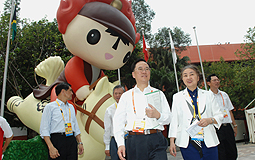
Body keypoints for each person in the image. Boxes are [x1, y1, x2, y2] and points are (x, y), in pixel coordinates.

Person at [113, 58, 171, 160]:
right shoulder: (126, 96)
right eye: (140, 69)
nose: (144, 71)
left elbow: (169, 118)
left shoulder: (158, 93)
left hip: (156, 139)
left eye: (147, 69)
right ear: (133, 74)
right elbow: (118, 122)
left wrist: (158, 115)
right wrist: (120, 144)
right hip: (135, 141)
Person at [169, 65, 223, 160]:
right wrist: (172, 141)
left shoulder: (208, 95)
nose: (188, 77)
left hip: (208, 139)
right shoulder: (177, 97)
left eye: (191, 74)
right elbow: (174, 120)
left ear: (198, 78)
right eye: (185, 75)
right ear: (182, 79)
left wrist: (210, 120)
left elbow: (219, 115)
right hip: (187, 141)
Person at [40, 82, 84, 159]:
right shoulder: (50, 107)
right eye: (70, 90)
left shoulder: (71, 107)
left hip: (71, 139)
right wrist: (51, 147)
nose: (72, 93)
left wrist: (80, 142)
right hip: (57, 140)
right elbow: (44, 129)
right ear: (63, 91)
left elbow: (75, 126)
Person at [206, 74, 238, 160]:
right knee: (221, 152)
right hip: (216, 127)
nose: (217, 82)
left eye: (218, 80)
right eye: (214, 80)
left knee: (232, 150)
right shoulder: (207, 96)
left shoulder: (224, 94)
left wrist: (234, 125)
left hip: (227, 125)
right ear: (208, 83)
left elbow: (230, 110)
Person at [104, 85, 125, 160]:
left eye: (120, 93)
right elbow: (107, 129)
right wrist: (107, 146)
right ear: (113, 95)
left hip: (128, 139)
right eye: (116, 93)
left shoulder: (130, 108)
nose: (118, 95)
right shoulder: (109, 110)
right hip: (115, 141)